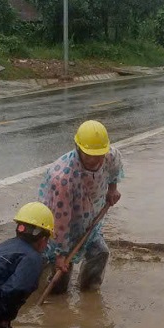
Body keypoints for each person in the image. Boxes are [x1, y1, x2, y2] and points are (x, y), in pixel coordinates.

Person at [37, 120, 122, 294]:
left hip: (91, 216)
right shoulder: (63, 178)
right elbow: (60, 221)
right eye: (88, 154)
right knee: (61, 271)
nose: (94, 159)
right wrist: (60, 254)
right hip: (62, 220)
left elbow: (115, 169)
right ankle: (54, 299)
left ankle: (89, 290)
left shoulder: (109, 156)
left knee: (100, 253)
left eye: (99, 154)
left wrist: (112, 190)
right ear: (77, 147)